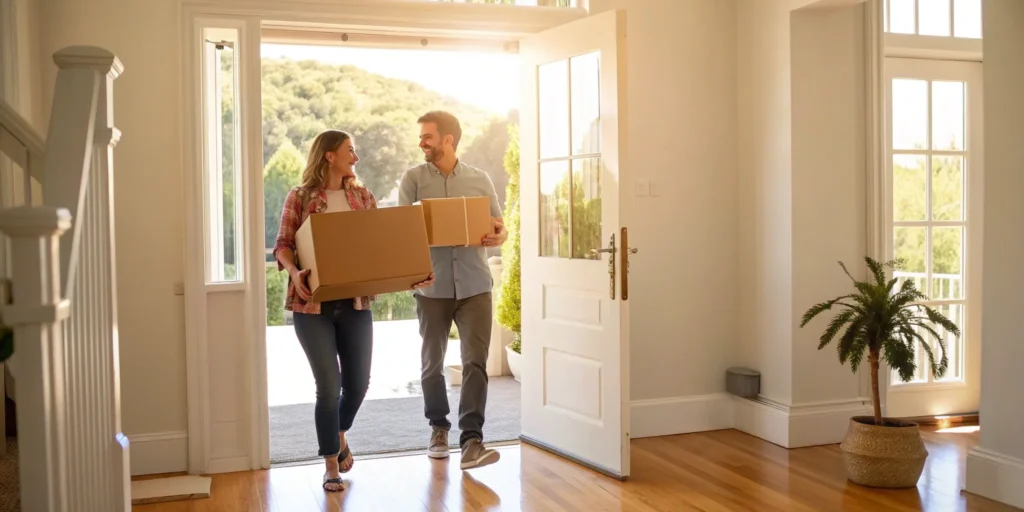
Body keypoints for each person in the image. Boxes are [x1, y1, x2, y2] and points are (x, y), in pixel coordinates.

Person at [273, 130, 434, 492]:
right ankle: (331, 463)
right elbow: (283, 244)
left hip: (356, 303)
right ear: (329, 155)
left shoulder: (362, 196)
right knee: (328, 387)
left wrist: (410, 274)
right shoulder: (299, 197)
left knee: (358, 385)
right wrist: (294, 270)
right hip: (311, 306)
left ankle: (338, 431)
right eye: (350, 151)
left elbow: (378, 247)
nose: (355, 158)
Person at [398, 110, 508, 470]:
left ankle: (472, 440)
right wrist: (412, 272)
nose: (421, 143)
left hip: (475, 284)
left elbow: (499, 227)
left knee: (476, 362)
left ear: (448, 140)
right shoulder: (413, 179)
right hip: (432, 286)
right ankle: (438, 428)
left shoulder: (479, 179)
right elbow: (403, 233)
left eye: (427, 137)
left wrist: (498, 235)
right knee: (432, 363)